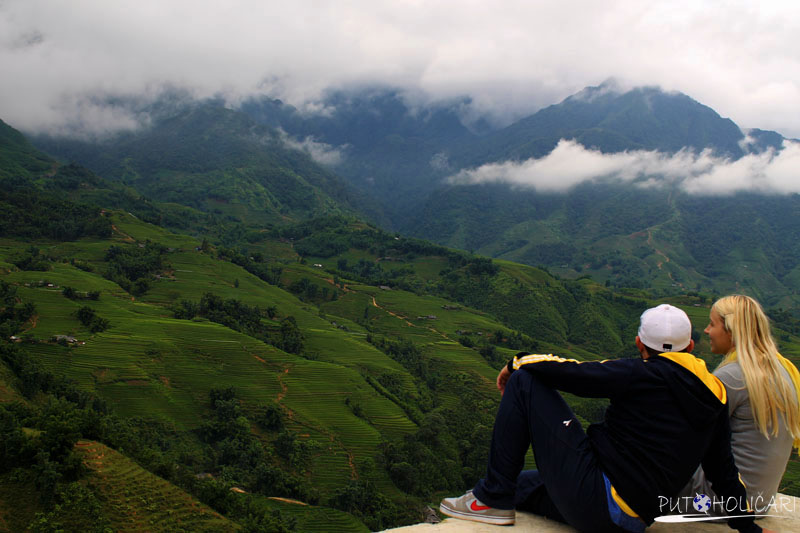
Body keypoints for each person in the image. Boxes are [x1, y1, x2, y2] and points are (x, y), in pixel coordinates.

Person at [439, 304, 764, 533]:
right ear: (690, 347)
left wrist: (516, 362)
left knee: (526, 380)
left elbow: (572, 372)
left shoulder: (638, 373)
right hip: (629, 520)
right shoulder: (715, 394)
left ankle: (491, 499)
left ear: (639, 343)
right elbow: (723, 470)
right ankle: (496, 495)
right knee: (522, 486)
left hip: (597, 497)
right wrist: (747, 527)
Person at [677, 295, 800, 515]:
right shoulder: (784, 372)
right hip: (759, 502)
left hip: (718, 500)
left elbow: (689, 439)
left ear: (731, 331)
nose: (706, 330)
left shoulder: (732, 377)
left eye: (712, 324)